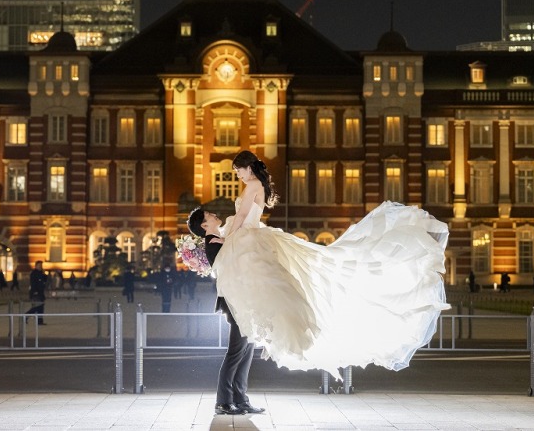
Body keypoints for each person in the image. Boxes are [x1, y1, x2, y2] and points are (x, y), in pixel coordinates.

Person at [208, 150, 449, 379]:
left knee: (257, 281)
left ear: (248, 168)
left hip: (248, 236)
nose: (237, 175)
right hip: (254, 235)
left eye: (238, 170)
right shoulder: (258, 185)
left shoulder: (252, 185)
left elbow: (242, 216)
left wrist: (227, 238)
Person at [188, 207, 263, 416]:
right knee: (236, 352)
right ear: (204, 225)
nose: (214, 214)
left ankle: (240, 399)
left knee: (246, 351)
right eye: (209, 215)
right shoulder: (213, 243)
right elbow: (233, 267)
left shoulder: (219, 240)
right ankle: (223, 402)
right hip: (236, 302)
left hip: (241, 301)